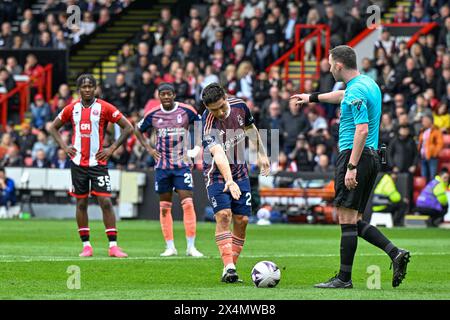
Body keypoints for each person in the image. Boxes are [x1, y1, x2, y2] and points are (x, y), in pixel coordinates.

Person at [291, 45, 410, 289]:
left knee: (346, 218)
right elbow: (342, 96)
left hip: (355, 156)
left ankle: (344, 279)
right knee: (354, 220)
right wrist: (311, 97)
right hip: (373, 156)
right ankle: (395, 253)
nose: (328, 66)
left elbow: (362, 129)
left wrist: (352, 166)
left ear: (339, 65)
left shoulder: (356, 91)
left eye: (330, 62)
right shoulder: (367, 83)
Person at [48, 74, 133, 258]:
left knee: (106, 202)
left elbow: (128, 127)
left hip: (98, 163)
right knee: (81, 203)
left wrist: (111, 149)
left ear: (96, 88)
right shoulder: (72, 109)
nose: (87, 89)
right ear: (78, 89)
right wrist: (64, 147)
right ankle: (86, 246)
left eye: (90, 86)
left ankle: (113, 247)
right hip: (78, 163)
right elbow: (53, 127)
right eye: (84, 87)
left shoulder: (104, 107)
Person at [201, 83, 270, 283]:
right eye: (213, 110)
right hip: (216, 174)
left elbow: (250, 127)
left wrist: (261, 153)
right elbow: (218, 153)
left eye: (221, 107)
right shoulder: (207, 122)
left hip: (240, 171)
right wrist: (229, 181)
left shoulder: (240, 106)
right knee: (224, 215)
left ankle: (229, 267)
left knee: (242, 220)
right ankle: (229, 267)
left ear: (225, 97)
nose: (219, 113)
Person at [135, 82, 204, 257]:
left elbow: (200, 126)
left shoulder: (186, 110)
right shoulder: (153, 114)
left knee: (187, 203)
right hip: (162, 167)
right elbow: (137, 129)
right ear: (159, 96)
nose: (166, 97)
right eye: (163, 94)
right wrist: (149, 149)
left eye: (169, 94)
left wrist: (196, 147)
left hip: (182, 165)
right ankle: (170, 247)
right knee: (165, 207)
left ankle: (191, 247)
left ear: (174, 95)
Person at [418, 114, 444, 182]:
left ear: (430, 121)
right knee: (424, 177)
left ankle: (432, 191)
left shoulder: (436, 131)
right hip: (423, 157)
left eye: (425, 121)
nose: (423, 122)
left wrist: (434, 153)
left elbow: (440, 144)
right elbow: (421, 143)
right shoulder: (422, 131)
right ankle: (425, 191)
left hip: (432, 157)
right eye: (423, 121)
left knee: (432, 176)